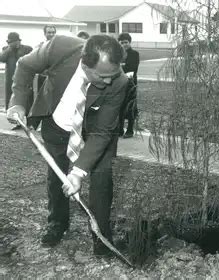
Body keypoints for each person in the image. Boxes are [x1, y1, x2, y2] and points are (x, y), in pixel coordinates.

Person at [6, 35, 128, 256]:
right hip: (57, 123)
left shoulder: (118, 81)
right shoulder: (59, 47)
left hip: (94, 131)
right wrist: (18, 102)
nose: (109, 81)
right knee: (57, 176)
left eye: (112, 75)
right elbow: (24, 66)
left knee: (101, 181)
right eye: (103, 76)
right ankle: (58, 224)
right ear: (85, 62)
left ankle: (101, 238)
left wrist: (79, 173)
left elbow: (102, 132)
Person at [0, 32, 33, 128]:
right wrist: (10, 48)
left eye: (14, 42)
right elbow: (1, 58)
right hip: (11, 80)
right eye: (10, 42)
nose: (12, 44)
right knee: (13, 101)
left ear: (19, 41)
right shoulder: (6, 50)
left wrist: (18, 48)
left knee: (27, 100)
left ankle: (30, 122)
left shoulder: (27, 49)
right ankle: (17, 123)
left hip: (25, 79)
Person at [118, 32, 140, 138]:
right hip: (119, 84)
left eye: (126, 42)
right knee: (120, 106)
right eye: (121, 43)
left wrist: (121, 68)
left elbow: (132, 69)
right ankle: (120, 129)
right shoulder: (117, 54)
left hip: (130, 84)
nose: (124, 45)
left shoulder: (134, 54)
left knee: (130, 107)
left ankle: (130, 130)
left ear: (130, 42)